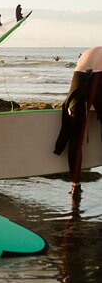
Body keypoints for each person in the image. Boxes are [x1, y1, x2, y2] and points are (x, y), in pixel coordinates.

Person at [54, 46, 102, 196]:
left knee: (75, 136)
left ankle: (75, 186)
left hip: (79, 76)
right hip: (99, 76)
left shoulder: (90, 51)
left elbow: (71, 90)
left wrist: (68, 106)